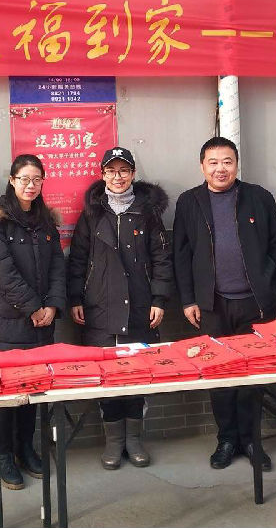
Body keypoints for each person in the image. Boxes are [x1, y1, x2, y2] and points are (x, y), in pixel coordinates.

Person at [173, 136, 276, 472]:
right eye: (213, 162)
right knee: (219, 374)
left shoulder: (259, 197)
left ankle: (252, 440)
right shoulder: (189, 201)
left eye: (227, 161)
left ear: (237, 164)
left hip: (254, 305)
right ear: (202, 166)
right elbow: (181, 254)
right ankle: (226, 439)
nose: (220, 168)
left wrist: (268, 289)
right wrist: (189, 299)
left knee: (252, 373)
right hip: (212, 306)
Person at [68, 147, 173, 470]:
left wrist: (159, 300)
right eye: (111, 171)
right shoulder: (92, 213)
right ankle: (114, 441)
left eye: (124, 170)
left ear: (133, 174)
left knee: (138, 374)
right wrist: (75, 298)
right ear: (102, 175)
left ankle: (134, 440)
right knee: (108, 377)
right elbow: (78, 259)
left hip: (140, 308)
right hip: (99, 308)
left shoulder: (147, 213)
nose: (118, 177)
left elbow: (161, 259)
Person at [0, 154, 65, 490]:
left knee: (32, 391)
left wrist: (52, 305)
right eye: (24, 179)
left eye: (37, 179)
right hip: (6, 322)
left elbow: (58, 266)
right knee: (5, 394)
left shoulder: (45, 221)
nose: (30, 185)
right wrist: (32, 307)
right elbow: (0, 271)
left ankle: (26, 448)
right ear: (12, 180)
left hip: (41, 324)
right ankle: (3, 456)